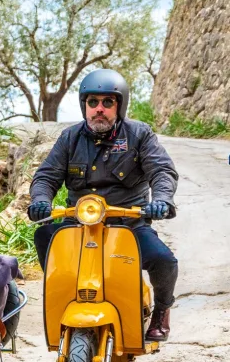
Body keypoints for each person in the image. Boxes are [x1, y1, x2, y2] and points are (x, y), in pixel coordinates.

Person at [28, 69, 179, 342]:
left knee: (164, 260)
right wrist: (40, 200)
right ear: (84, 105)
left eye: (108, 102)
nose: (99, 108)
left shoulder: (139, 135)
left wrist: (162, 200)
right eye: (93, 102)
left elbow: (162, 171)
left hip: (128, 224)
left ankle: (161, 311)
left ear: (120, 105)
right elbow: (46, 176)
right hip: (78, 224)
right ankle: (64, 296)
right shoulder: (69, 138)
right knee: (44, 236)